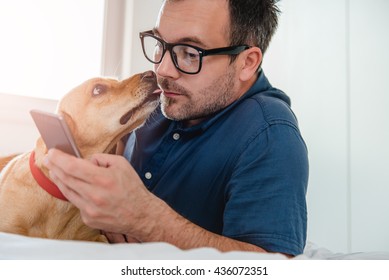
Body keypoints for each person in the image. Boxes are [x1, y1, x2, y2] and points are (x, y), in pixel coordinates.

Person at [44, 0, 309, 256]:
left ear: (247, 62)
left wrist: (147, 220)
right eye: (160, 44)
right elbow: (126, 149)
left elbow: (269, 267)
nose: (162, 69)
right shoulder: (174, 97)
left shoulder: (270, 135)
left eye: (190, 54)